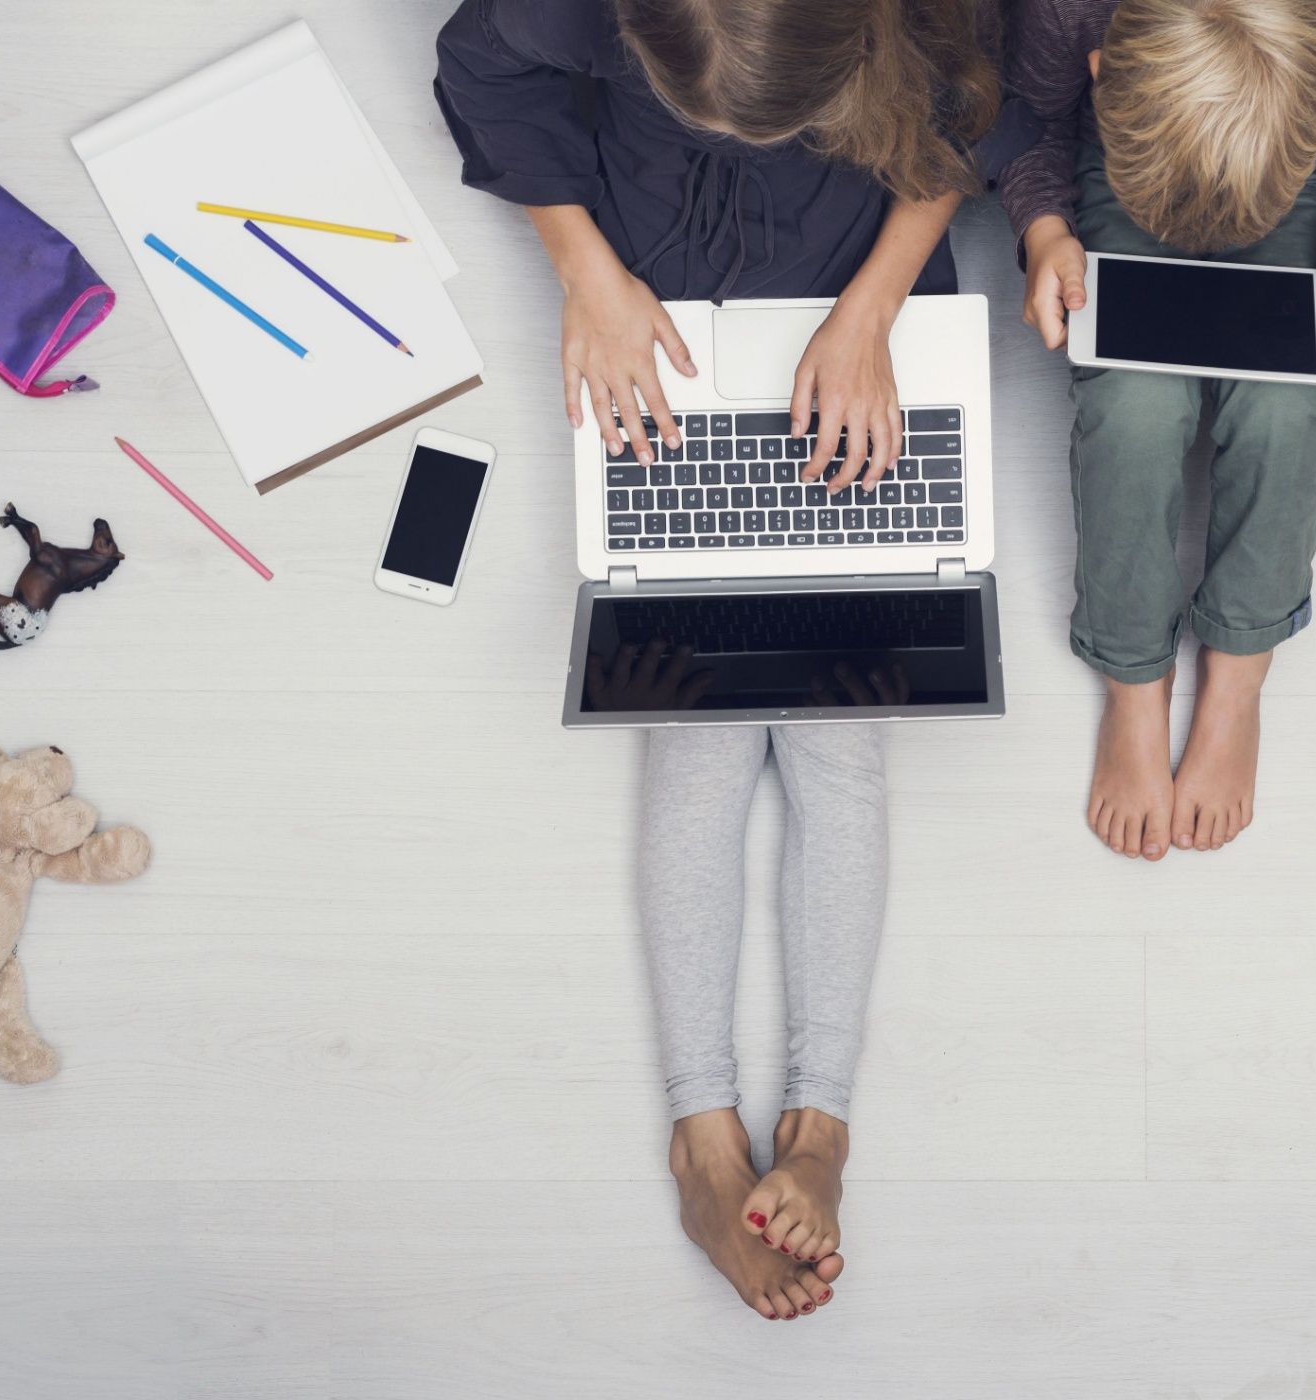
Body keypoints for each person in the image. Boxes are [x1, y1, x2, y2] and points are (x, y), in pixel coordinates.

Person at [435, 0, 1032, 1322]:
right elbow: (483, 74)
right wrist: (584, 274)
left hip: (856, 311)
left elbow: (967, 116)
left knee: (838, 739)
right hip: (663, 310)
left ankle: (821, 1128)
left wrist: (875, 313)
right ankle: (704, 1137)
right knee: (699, 743)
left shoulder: (926, 28)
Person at [999, 0, 1316, 861]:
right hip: (1137, 158)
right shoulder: (1064, 14)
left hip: (1288, 165)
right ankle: (1133, 676)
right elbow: (1027, 116)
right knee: (1130, 405)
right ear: (1105, 68)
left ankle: (1239, 674)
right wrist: (1045, 227)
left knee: (1288, 404)